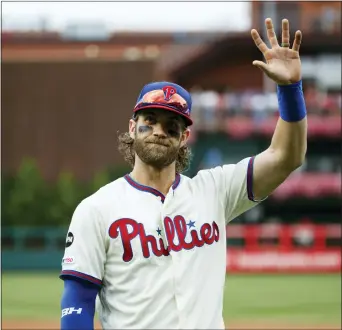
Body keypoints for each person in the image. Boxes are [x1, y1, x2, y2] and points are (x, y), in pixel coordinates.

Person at [60, 18, 307, 330]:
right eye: (150, 120)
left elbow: (287, 156)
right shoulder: (96, 210)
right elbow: (77, 304)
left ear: (184, 138)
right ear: (132, 127)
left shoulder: (214, 191)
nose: (160, 132)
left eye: (172, 126)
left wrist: (289, 89)